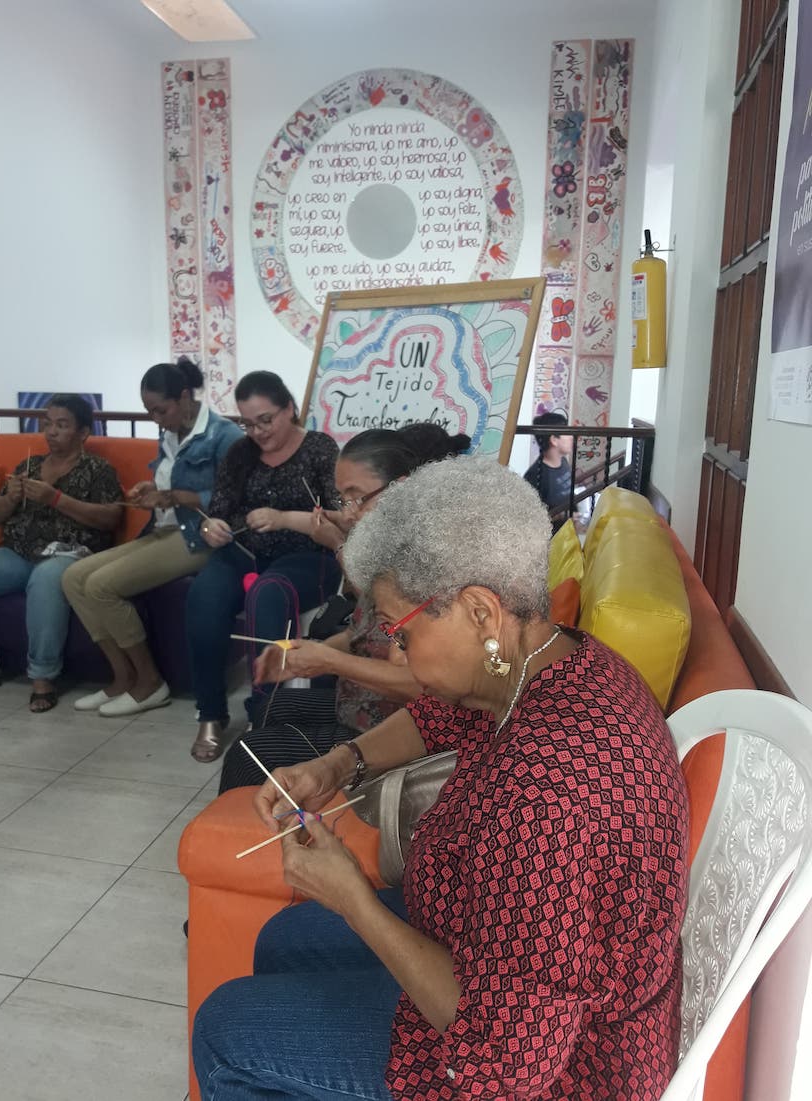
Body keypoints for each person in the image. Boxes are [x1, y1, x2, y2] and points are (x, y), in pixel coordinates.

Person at [192, 458, 689, 1101]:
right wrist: (337, 764)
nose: (397, 653)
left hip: (553, 1068)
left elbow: (506, 1063)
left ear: (480, 611)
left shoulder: (550, 793)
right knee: (285, 939)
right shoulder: (546, 658)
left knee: (225, 1029)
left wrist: (354, 899)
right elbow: (440, 714)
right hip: (486, 942)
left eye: (401, 633)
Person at [218, 428, 433, 792]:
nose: (348, 514)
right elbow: (360, 634)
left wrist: (329, 661)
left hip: (397, 730)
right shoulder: (383, 551)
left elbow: (417, 685)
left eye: (357, 498)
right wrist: (301, 654)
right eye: (342, 499)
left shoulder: (421, 566)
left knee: (246, 754)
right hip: (363, 704)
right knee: (273, 706)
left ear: (400, 488)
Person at [62, 357, 242, 717]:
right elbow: (168, 482)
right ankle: (123, 677)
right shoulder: (170, 433)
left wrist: (177, 497)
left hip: (201, 537)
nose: (157, 419)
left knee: (100, 585)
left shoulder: (225, 437)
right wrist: (151, 489)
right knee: (73, 578)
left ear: (184, 397)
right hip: (164, 530)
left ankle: (149, 682)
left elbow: (235, 500)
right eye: (150, 412)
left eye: (161, 410)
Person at [187, 370, 341, 764]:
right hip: (245, 551)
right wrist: (211, 528)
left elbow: (341, 520)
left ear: (289, 408)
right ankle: (210, 712)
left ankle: (266, 716)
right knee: (205, 595)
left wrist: (284, 518)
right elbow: (217, 512)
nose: (257, 431)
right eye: (248, 423)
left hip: (309, 555)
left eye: (265, 420)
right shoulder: (240, 453)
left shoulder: (319, 449)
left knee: (267, 594)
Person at [0, 395, 122, 712]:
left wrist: (56, 499)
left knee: (46, 579)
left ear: (83, 432)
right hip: (20, 552)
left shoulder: (97, 469)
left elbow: (111, 518)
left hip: (71, 553)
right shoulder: (29, 465)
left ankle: (43, 678)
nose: (51, 432)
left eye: (61, 425)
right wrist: (10, 498)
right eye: (47, 424)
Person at [523, 410, 574, 521]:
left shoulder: (563, 462)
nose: (571, 437)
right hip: (552, 531)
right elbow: (529, 516)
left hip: (570, 527)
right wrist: (562, 516)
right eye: (566, 433)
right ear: (554, 440)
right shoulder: (535, 475)